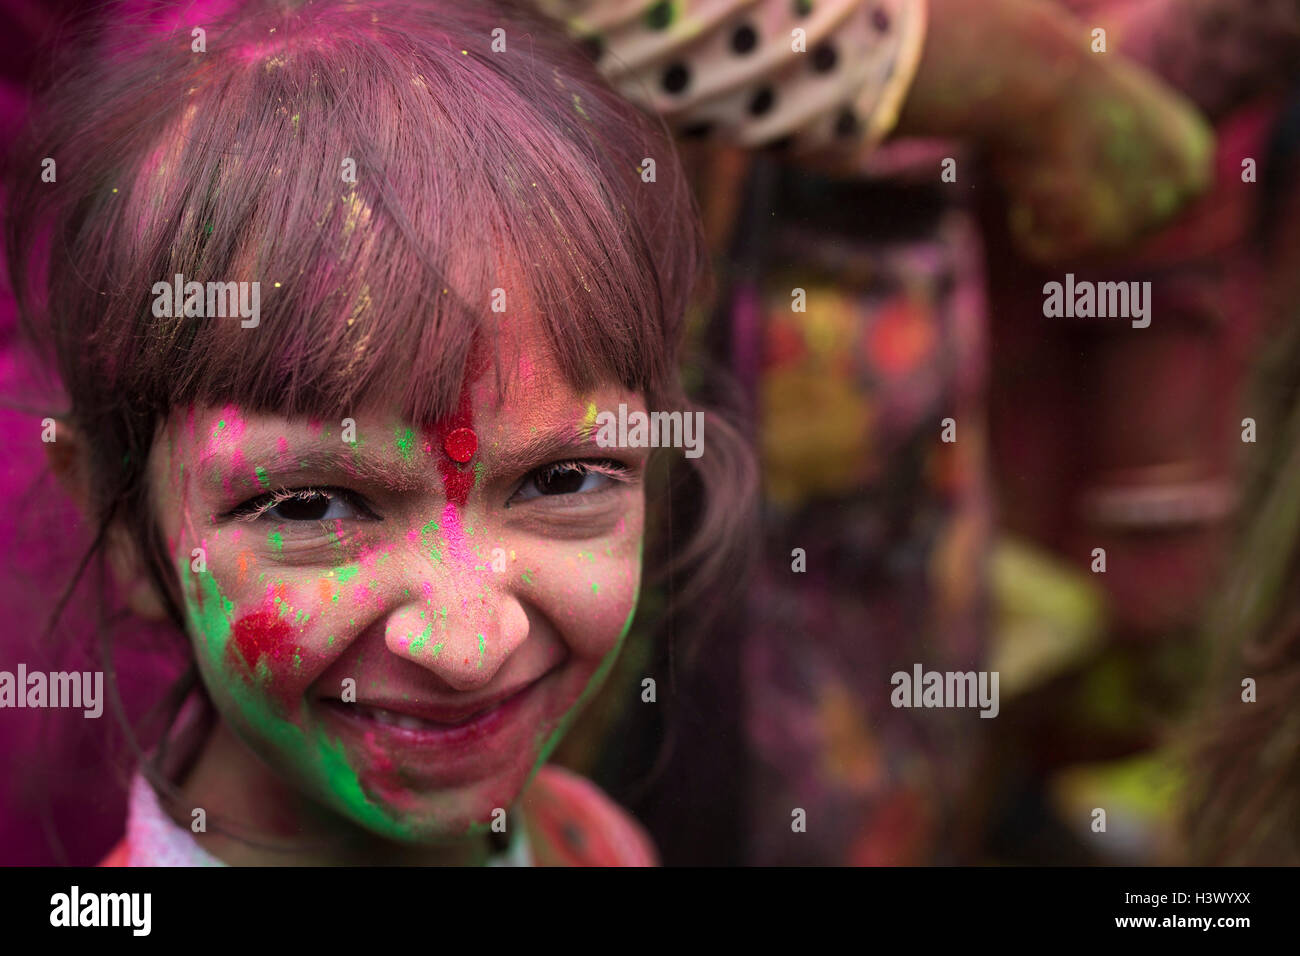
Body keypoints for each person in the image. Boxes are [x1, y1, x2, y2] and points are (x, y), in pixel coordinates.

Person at [3, 0, 756, 866]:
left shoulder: (592, 843)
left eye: (565, 481)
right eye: (312, 503)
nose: (470, 648)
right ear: (121, 519)